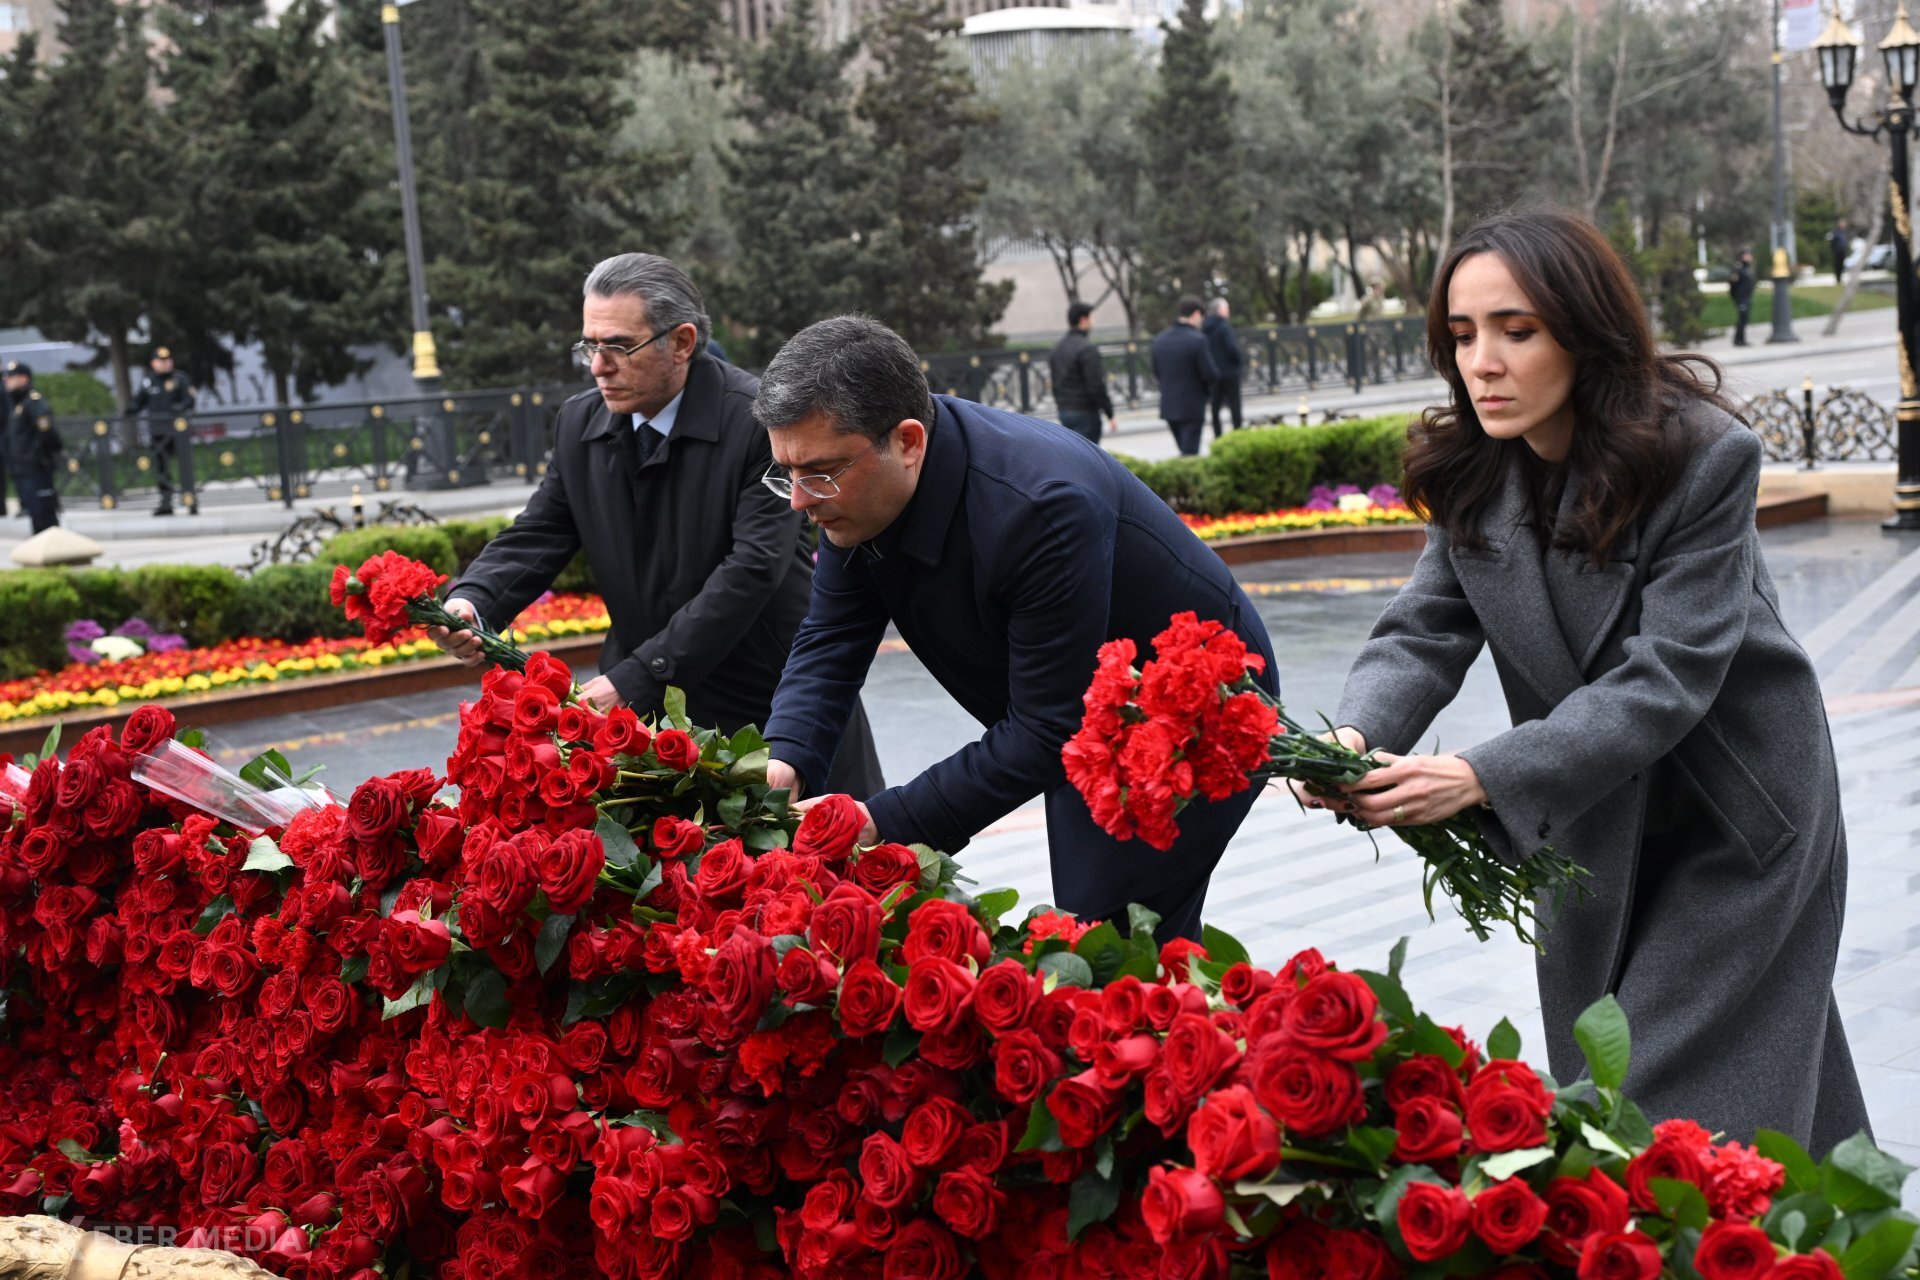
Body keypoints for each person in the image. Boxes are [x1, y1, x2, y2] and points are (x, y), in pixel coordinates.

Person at [1304, 209, 1868, 1154]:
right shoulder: (1473, 468)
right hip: (1596, 813)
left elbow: (1668, 676)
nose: (1482, 361)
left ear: (1585, 331)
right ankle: (1839, 1242)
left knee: (1648, 1102)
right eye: (1461, 334)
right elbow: (1423, 629)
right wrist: (1352, 735)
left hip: (1736, 817)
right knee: (1739, 1073)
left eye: (1515, 331)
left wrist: (1483, 775)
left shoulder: (1702, 455)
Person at [756, 315, 1278, 942]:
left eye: (815, 473)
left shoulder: (1040, 506)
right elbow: (831, 635)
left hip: (1188, 711)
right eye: (786, 472)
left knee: (1114, 941)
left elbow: (1044, 727)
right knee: (1109, 938)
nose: (798, 500)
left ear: (909, 441)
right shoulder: (853, 486)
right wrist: (785, 757)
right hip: (1076, 712)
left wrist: (882, 819)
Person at [432, 252, 883, 794]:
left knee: (827, 874)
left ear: (682, 341)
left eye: (619, 346)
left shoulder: (760, 420)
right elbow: (541, 531)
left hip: (772, 712)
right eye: (589, 346)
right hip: (649, 722)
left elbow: (752, 568)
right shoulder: (581, 421)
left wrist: (640, 677)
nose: (599, 365)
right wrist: (475, 599)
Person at [128, 346, 196, 516]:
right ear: (153, 363)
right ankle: (166, 503)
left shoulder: (180, 379)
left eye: (168, 361)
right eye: (161, 361)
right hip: (158, 432)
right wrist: (130, 411)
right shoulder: (148, 381)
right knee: (161, 469)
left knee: (185, 467)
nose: (165, 364)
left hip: (178, 432)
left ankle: (191, 501)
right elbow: (139, 402)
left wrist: (177, 409)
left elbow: (189, 400)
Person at [1149, 296, 1217, 456]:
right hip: (1192, 405)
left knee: (1183, 449)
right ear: (1196, 314)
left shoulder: (1159, 340)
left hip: (1169, 404)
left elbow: (1156, 372)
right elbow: (1210, 373)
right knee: (1189, 455)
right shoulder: (1198, 340)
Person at [1047, 301, 1118, 444]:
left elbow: (1055, 382)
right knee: (1088, 460)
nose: (1094, 321)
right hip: (1085, 412)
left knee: (1072, 457)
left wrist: (1061, 405)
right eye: (1092, 317)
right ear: (1083, 320)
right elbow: (1096, 385)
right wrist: (1109, 413)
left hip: (1065, 411)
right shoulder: (1087, 349)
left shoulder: (1057, 348)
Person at [4, 362, 59, 534]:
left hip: (36, 468)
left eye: (11, 377)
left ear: (23, 378)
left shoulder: (32, 402)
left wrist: (38, 456)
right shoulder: (17, 404)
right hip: (24, 469)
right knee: (36, 515)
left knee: (45, 516)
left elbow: (47, 433)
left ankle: (54, 554)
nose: (7, 380)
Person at [1201, 297, 1244, 436]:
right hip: (1229, 372)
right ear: (1220, 310)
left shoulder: (1205, 327)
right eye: (1226, 309)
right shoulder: (1224, 326)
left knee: (1215, 407)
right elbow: (1232, 349)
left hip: (1213, 372)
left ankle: (1218, 435)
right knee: (1234, 405)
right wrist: (1238, 362)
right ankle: (1238, 434)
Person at [1728, 248, 1756, 347]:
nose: (1750, 257)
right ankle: (1738, 340)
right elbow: (1733, 285)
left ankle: (1741, 339)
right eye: (1747, 255)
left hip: (1746, 298)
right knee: (1742, 318)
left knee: (1744, 318)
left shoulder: (1746, 269)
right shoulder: (1738, 269)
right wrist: (1737, 298)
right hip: (1741, 298)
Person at [1827, 217, 1851, 282]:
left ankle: (1840, 278)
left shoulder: (1845, 232)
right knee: (1837, 265)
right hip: (1837, 251)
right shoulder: (1836, 232)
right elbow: (1832, 242)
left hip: (1843, 251)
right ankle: (1838, 279)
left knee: (1842, 265)